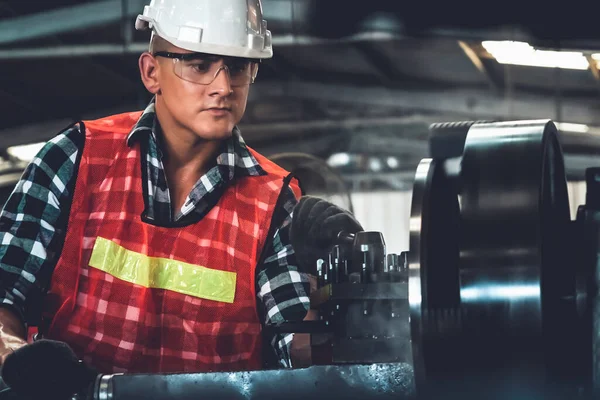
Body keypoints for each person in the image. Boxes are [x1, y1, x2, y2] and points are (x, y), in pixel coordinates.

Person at [0, 0, 314, 374]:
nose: (224, 86)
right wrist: (18, 363)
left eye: (238, 66)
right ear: (152, 73)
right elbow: (5, 291)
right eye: (200, 65)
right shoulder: (76, 159)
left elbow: (298, 357)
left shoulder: (275, 201)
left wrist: (328, 289)